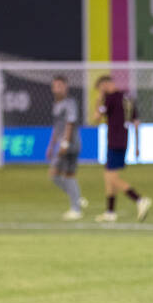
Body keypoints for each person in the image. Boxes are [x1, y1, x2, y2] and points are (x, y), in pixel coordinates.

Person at [91, 75, 151, 223]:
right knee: (108, 175)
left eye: (100, 88)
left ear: (104, 85)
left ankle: (139, 199)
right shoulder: (128, 97)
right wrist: (137, 146)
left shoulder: (110, 98)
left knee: (111, 177)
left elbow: (96, 118)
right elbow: (136, 122)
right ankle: (110, 212)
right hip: (124, 139)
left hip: (114, 140)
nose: (101, 91)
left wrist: (99, 99)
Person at [46, 76, 87, 221]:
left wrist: (64, 144)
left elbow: (70, 124)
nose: (56, 89)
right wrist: (51, 146)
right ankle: (76, 197)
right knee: (54, 175)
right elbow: (57, 127)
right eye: (54, 86)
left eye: (59, 86)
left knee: (69, 175)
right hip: (61, 144)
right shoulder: (56, 104)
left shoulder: (70, 103)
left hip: (71, 144)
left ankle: (76, 209)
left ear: (65, 87)